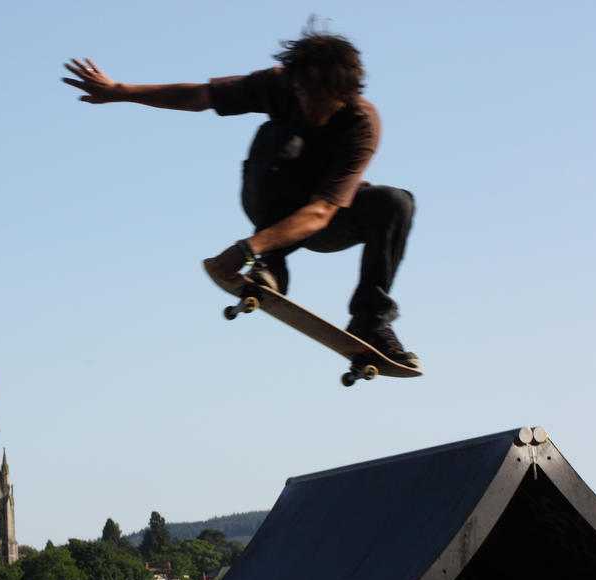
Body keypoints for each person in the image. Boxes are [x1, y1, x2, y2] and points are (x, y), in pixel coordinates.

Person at [62, 23, 418, 367]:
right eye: (302, 94)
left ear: (344, 95)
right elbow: (199, 96)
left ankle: (370, 322)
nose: (307, 105)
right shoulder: (278, 85)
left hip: (322, 220)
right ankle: (273, 265)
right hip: (269, 198)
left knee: (395, 202)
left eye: (319, 99)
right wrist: (121, 91)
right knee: (279, 136)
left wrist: (248, 248)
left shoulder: (362, 124)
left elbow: (322, 212)